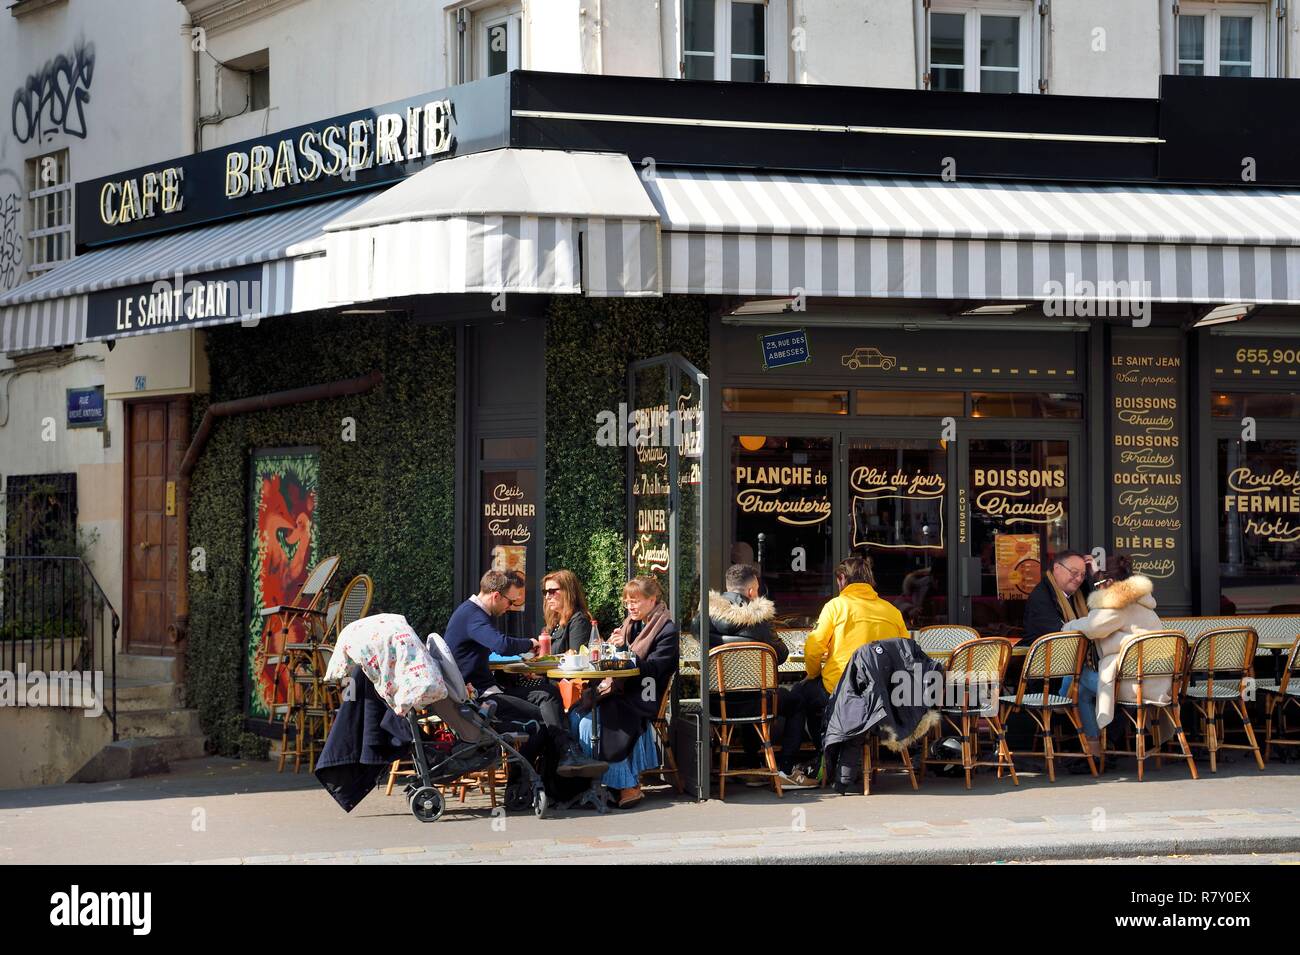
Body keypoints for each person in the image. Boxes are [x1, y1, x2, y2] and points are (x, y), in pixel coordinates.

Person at [444, 569, 607, 788]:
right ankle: (542, 776)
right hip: (480, 699)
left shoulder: (470, 613)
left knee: (548, 697)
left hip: (482, 693)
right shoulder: (474, 615)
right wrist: (530, 643)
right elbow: (501, 644)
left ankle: (550, 771)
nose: (509, 608)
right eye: (510, 602)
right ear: (496, 596)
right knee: (545, 719)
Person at [568, 576, 679, 809]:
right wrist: (614, 647)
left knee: (596, 721)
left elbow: (654, 669)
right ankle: (591, 781)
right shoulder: (631, 623)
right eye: (627, 602)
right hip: (621, 690)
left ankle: (625, 783)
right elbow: (617, 659)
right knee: (576, 713)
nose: (631, 607)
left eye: (635, 601)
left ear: (652, 599)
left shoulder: (666, 629)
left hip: (644, 695)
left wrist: (625, 652)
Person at [702, 563, 816, 788]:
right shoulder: (759, 621)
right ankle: (784, 768)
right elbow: (781, 655)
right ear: (752, 591)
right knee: (796, 701)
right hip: (758, 702)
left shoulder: (703, 617)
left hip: (717, 703)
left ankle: (751, 766)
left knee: (745, 694)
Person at [1061, 557, 1173, 772]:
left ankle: (1091, 748)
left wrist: (1067, 625)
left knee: (1079, 680)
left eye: (1099, 584)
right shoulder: (1140, 601)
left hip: (1137, 685)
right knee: (1082, 685)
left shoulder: (1118, 605)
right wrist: (1097, 575)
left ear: (1110, 583)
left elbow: (1093, 627)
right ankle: (1096, 746)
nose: (1098, 589)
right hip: (1158, 681)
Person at [796, 554, 909, 763]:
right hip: (883, 697)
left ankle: (823, 755)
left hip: (842, 691)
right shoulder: (892, 611)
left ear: (841, 579)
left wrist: (812, 674)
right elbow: (905, 653)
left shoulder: (836, 606)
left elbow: (813, 648)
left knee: (801, 696)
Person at [1023, 550, 1090, 641]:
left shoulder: (1081, 592)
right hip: (1046, 653)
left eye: (1082, 575)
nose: (1079, 579)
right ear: (1057, 568)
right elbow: (1059, 633)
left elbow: (1100, 616)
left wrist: (1097, 575)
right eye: (1074, 572)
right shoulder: (1041, 597)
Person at [540, 569, 594, 654]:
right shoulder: (554, 621)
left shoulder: (579, 620)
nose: (547, 597)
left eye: (551, 591)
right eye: (545, 592)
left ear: (568, 592)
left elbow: (577, 657)